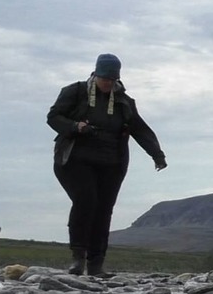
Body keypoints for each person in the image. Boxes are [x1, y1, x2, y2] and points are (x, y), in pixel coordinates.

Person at [47, 53, 167, 275]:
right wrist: (76, 126)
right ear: (95, 74)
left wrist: (157, 154)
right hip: (74, 160)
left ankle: (96, 264)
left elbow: (140, 129)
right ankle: (77, 259)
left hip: (112, 164)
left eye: (112, 80)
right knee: (86, 201)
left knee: (104, 210)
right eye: (104, 79)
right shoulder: (75, 92)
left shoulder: (124, 102)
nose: (107, 84)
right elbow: (53, 117)